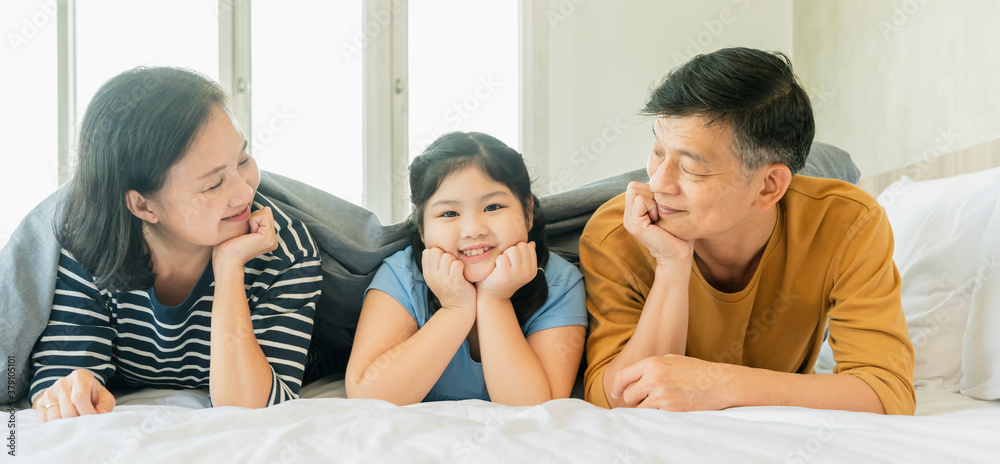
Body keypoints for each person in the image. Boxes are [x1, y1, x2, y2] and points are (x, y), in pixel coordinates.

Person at [581, 47, 915, 414]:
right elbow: (612, 401)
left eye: (691, 168)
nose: (659, 183)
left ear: (769, 186)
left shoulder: (848, 223)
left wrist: (717, 384)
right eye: (658, 152)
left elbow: (886, 393)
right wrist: (671, 264)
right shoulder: (616, 234)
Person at [29, 67, 322, 422]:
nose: (246, 192)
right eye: (214, 184)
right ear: (143, 205)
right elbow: (63, 378)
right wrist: (73, 388)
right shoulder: (88, 246)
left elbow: (251, 410)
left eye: (243, 160)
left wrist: (229, 270)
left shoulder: (283, 250)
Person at [345, 132, 587, 405]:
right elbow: (368, 398)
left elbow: (536, 408)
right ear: (422, 228)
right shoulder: (402, 275)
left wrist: (495, 299)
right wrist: (455, 310)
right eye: (449, 213)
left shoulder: (560, 282)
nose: (473, 230)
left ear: (528, 212)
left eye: (493, 206)